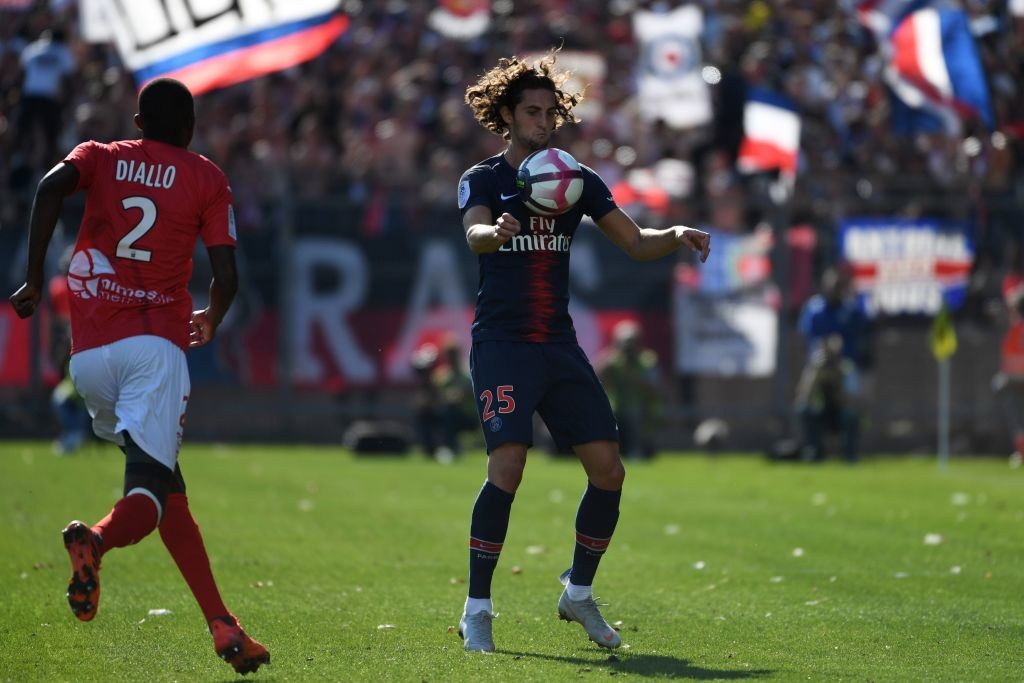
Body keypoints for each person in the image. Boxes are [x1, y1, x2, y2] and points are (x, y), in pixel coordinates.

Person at [7, 78, 269, 675]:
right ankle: (95, 541)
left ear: (138, 121)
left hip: (91, 355)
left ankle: (223, 626)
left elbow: (50, 188)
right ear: (190, 127)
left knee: (169, 487)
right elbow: (225, 274)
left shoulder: (101, 156)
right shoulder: (206, 176)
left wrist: (28, 276)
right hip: (155, 348)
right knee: (148, 495)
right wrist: (215, 316)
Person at [455, 50, 710, 652]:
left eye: (551, 112)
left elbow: (634, 241)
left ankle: (577, 592)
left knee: (609, 470)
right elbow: (474, 234)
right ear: (507, 116)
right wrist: (496, 232)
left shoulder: (575, 178)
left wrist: (673, 234)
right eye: (532, 112)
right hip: (504, 344)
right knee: (508, 469)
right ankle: (478, 608)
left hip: (558, 345)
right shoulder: (483, 178)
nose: (544, 122)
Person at [597, 320, 662, 460]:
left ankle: (636, 449)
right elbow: (598, 380)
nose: (628, 348)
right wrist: (607, 363)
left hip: (642, 408)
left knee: (634, 413)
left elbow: (655, 389)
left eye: (632, 343)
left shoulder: (647, 360)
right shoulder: (612, 361)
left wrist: (634, 376)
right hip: (616, 408)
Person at [794, 333, 861, 463]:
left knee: (851, 416)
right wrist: (816, 374)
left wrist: (837, 377)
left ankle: (850, 455)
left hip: (839, 411)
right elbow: (803, 396)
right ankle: (815, 452)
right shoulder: (814, 368)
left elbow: (852, 399)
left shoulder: (847, 367)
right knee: (804, 411)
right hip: (820, 412)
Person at [992, 286, 1024, 468]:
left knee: (1017, 419)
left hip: (1015, 380)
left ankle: (1021, 453)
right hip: (1015, 379)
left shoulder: (1016, 329)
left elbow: (1011, 358)